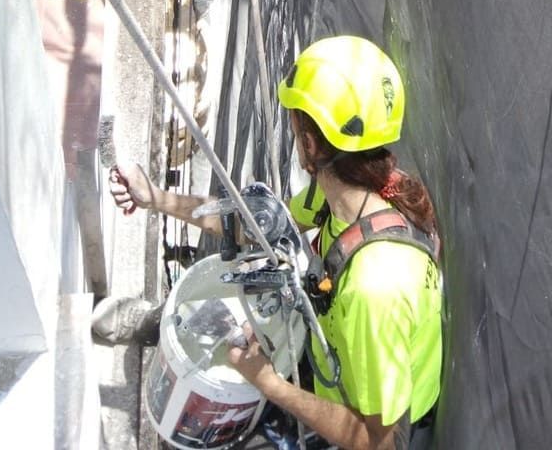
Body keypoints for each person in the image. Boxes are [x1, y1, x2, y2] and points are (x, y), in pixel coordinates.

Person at [108, 35, 443, 450]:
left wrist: (268, 382)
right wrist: (156, 198)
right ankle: (159, 320)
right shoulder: (349, 193)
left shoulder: (375, 287)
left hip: (373, 427)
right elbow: (254, 226)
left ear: (309, 145)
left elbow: (378, 442)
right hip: (340, 359)